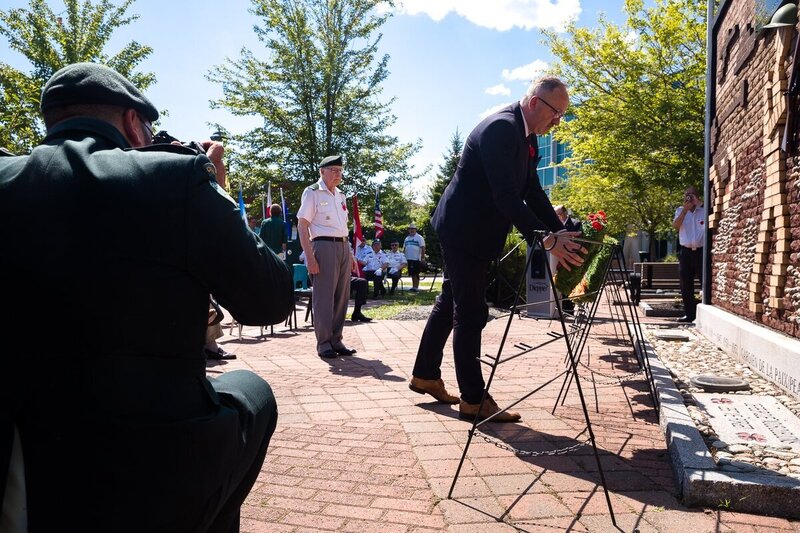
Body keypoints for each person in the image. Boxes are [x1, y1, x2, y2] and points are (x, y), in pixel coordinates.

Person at [0, 62, 294, 531]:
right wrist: (215, 191)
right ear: (135, 123)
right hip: (151, 469)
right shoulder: (176, 179)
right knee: (252, 392)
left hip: (27, 471)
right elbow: (271, 301)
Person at [409, 76, 585, 423]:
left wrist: (560, 230)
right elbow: (505, 196)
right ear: (535, 103)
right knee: (471, 313)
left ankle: (425, 374)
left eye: (562, 116)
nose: (557, 122)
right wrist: (546, 239)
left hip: (476, 232)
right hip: (463, 231)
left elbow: (532, 190)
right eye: (556, 113)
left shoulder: (528, 138)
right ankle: (473, 400)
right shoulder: (501, 129)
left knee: (451, 301)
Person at [297, 154, 358, 358]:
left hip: (342, 246)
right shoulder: (312, 192)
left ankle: (336, 340)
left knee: (342, 297)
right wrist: (310, 257)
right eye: (333, 170)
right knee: (324, 298)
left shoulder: (340, 195)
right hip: (322, 246)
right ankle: (323, 343)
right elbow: (302, 226)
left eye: (340, 170)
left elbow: (344, 228)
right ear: (322, 171)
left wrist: (349, 254)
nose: (337, 174)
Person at [672, 185, 705, 323]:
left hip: (701, 251)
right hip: (685, 252)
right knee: (686, 284)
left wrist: (699, 203)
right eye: (687, 194)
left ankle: (705, 312)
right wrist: (685, 211)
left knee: (705, 281)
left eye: (692, 194)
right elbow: (675, 226)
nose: (690, 197)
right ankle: (689, 314)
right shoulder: (680, 210)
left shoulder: (704, 210)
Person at [403, 223, 426, 291]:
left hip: (416, 259)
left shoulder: (419, 237)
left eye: (413, 229)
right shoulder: (407, 238)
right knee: (412, 273)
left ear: (415, 230)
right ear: (408, 230)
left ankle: (416, 287)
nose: (412, 230)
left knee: (416, 273)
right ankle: (413, 286)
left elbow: (423, 248)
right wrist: (404, 258)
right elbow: (404, 248)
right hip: (408, 259)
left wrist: (423, 258)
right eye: (410, 229)